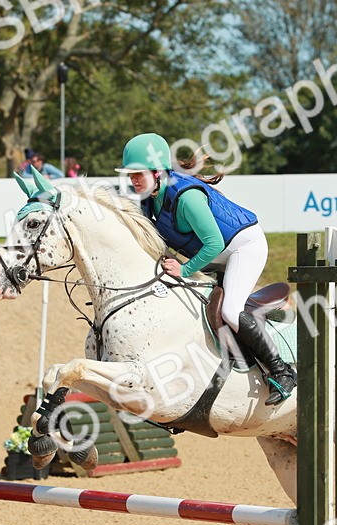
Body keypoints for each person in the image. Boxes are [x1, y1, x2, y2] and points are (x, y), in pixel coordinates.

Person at [115, 132, 296, 405]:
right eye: (130, 175)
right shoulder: (149, 198)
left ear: (157, 171)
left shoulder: (186, 198)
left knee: (230, 310)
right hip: (217, 254)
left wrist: (185, 270)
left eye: (137, 174)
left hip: (242, 246)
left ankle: (282, 371)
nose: (133, 180)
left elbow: (213, 243)